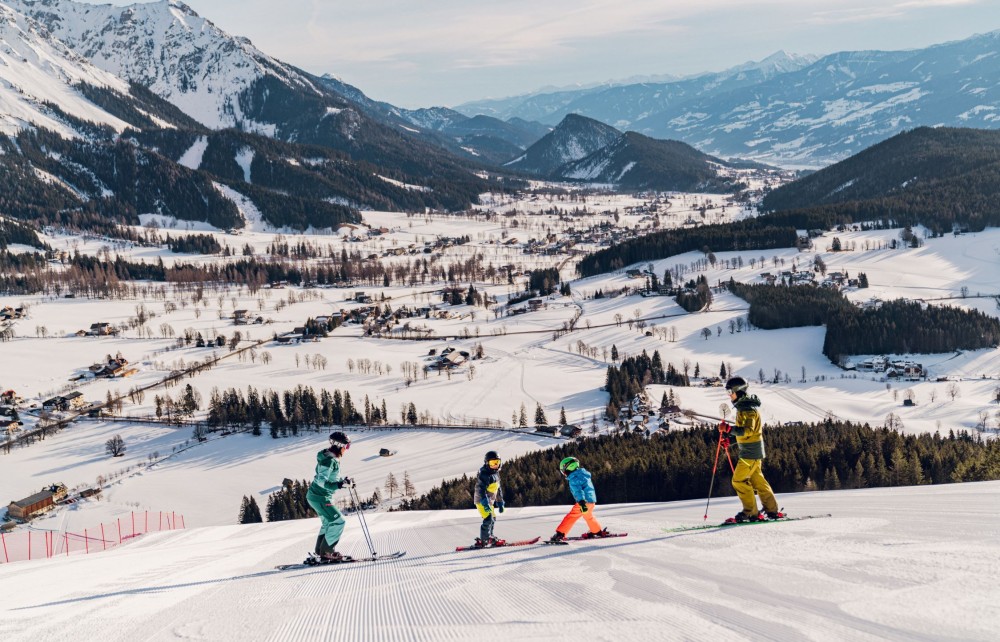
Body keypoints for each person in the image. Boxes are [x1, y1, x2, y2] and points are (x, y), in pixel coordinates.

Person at [721, 377, 784, 522]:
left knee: (738, 481)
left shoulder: (748, 410)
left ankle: (750, 512)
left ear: (738, 391)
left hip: (749, 454)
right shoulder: (744, 408)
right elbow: (747, 434)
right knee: (758, 482)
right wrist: (730, 441)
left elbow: (748, 430)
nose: (729, 395)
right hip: (753, 452)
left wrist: (729, 429)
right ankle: (772, 510)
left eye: (730, 392)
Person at [306, 431, 354, 561]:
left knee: (328, 522)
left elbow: (329, 479)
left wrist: (343, 482)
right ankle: (327, 552)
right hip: (320, 497)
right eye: (347, 446)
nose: (346, 449)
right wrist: (339, 485)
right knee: (338, 521)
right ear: (340, 446)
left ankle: (320, 550)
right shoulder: (329, 461)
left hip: (316, 496)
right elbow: (321, 482)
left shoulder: (330, 458)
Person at [549, 456, 611, 542]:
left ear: (568, 468)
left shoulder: (574, 478)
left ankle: (560, 534)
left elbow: (578, 491)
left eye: (563, 470)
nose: (563, 472)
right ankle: (596, 531)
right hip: (591, 501)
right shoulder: (584, 475)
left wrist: (581, 501)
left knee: (571, 516)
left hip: (583, 502)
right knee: (588, 517)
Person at [472, 450, 506, 547]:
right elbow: (481, 490)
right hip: (481, 501)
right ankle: (485, 539)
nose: (495, 465)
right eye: (492, 463)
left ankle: (489, 536)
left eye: (497, 463)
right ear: (487, 463)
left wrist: (500, 502)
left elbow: (498, 489)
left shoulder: (496, 474)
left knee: (493, 518)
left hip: (489, 501)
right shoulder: (484, 475)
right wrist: (485, 503)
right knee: (488, 519)